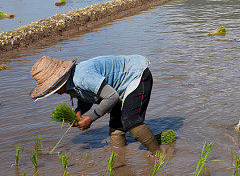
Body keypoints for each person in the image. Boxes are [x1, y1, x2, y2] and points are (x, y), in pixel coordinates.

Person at [29, 54, 164, 154]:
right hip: (114, 88)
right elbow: (87, 97)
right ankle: (119, 159)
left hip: (136, 75)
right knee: (116, 128)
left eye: (54, 89)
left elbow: (112, 97)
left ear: (60, 81)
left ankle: (160, 153)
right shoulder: (72, 83)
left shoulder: (82, 77)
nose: (56, 93)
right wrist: (79, 112)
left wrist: (91, 118)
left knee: (130, 121)